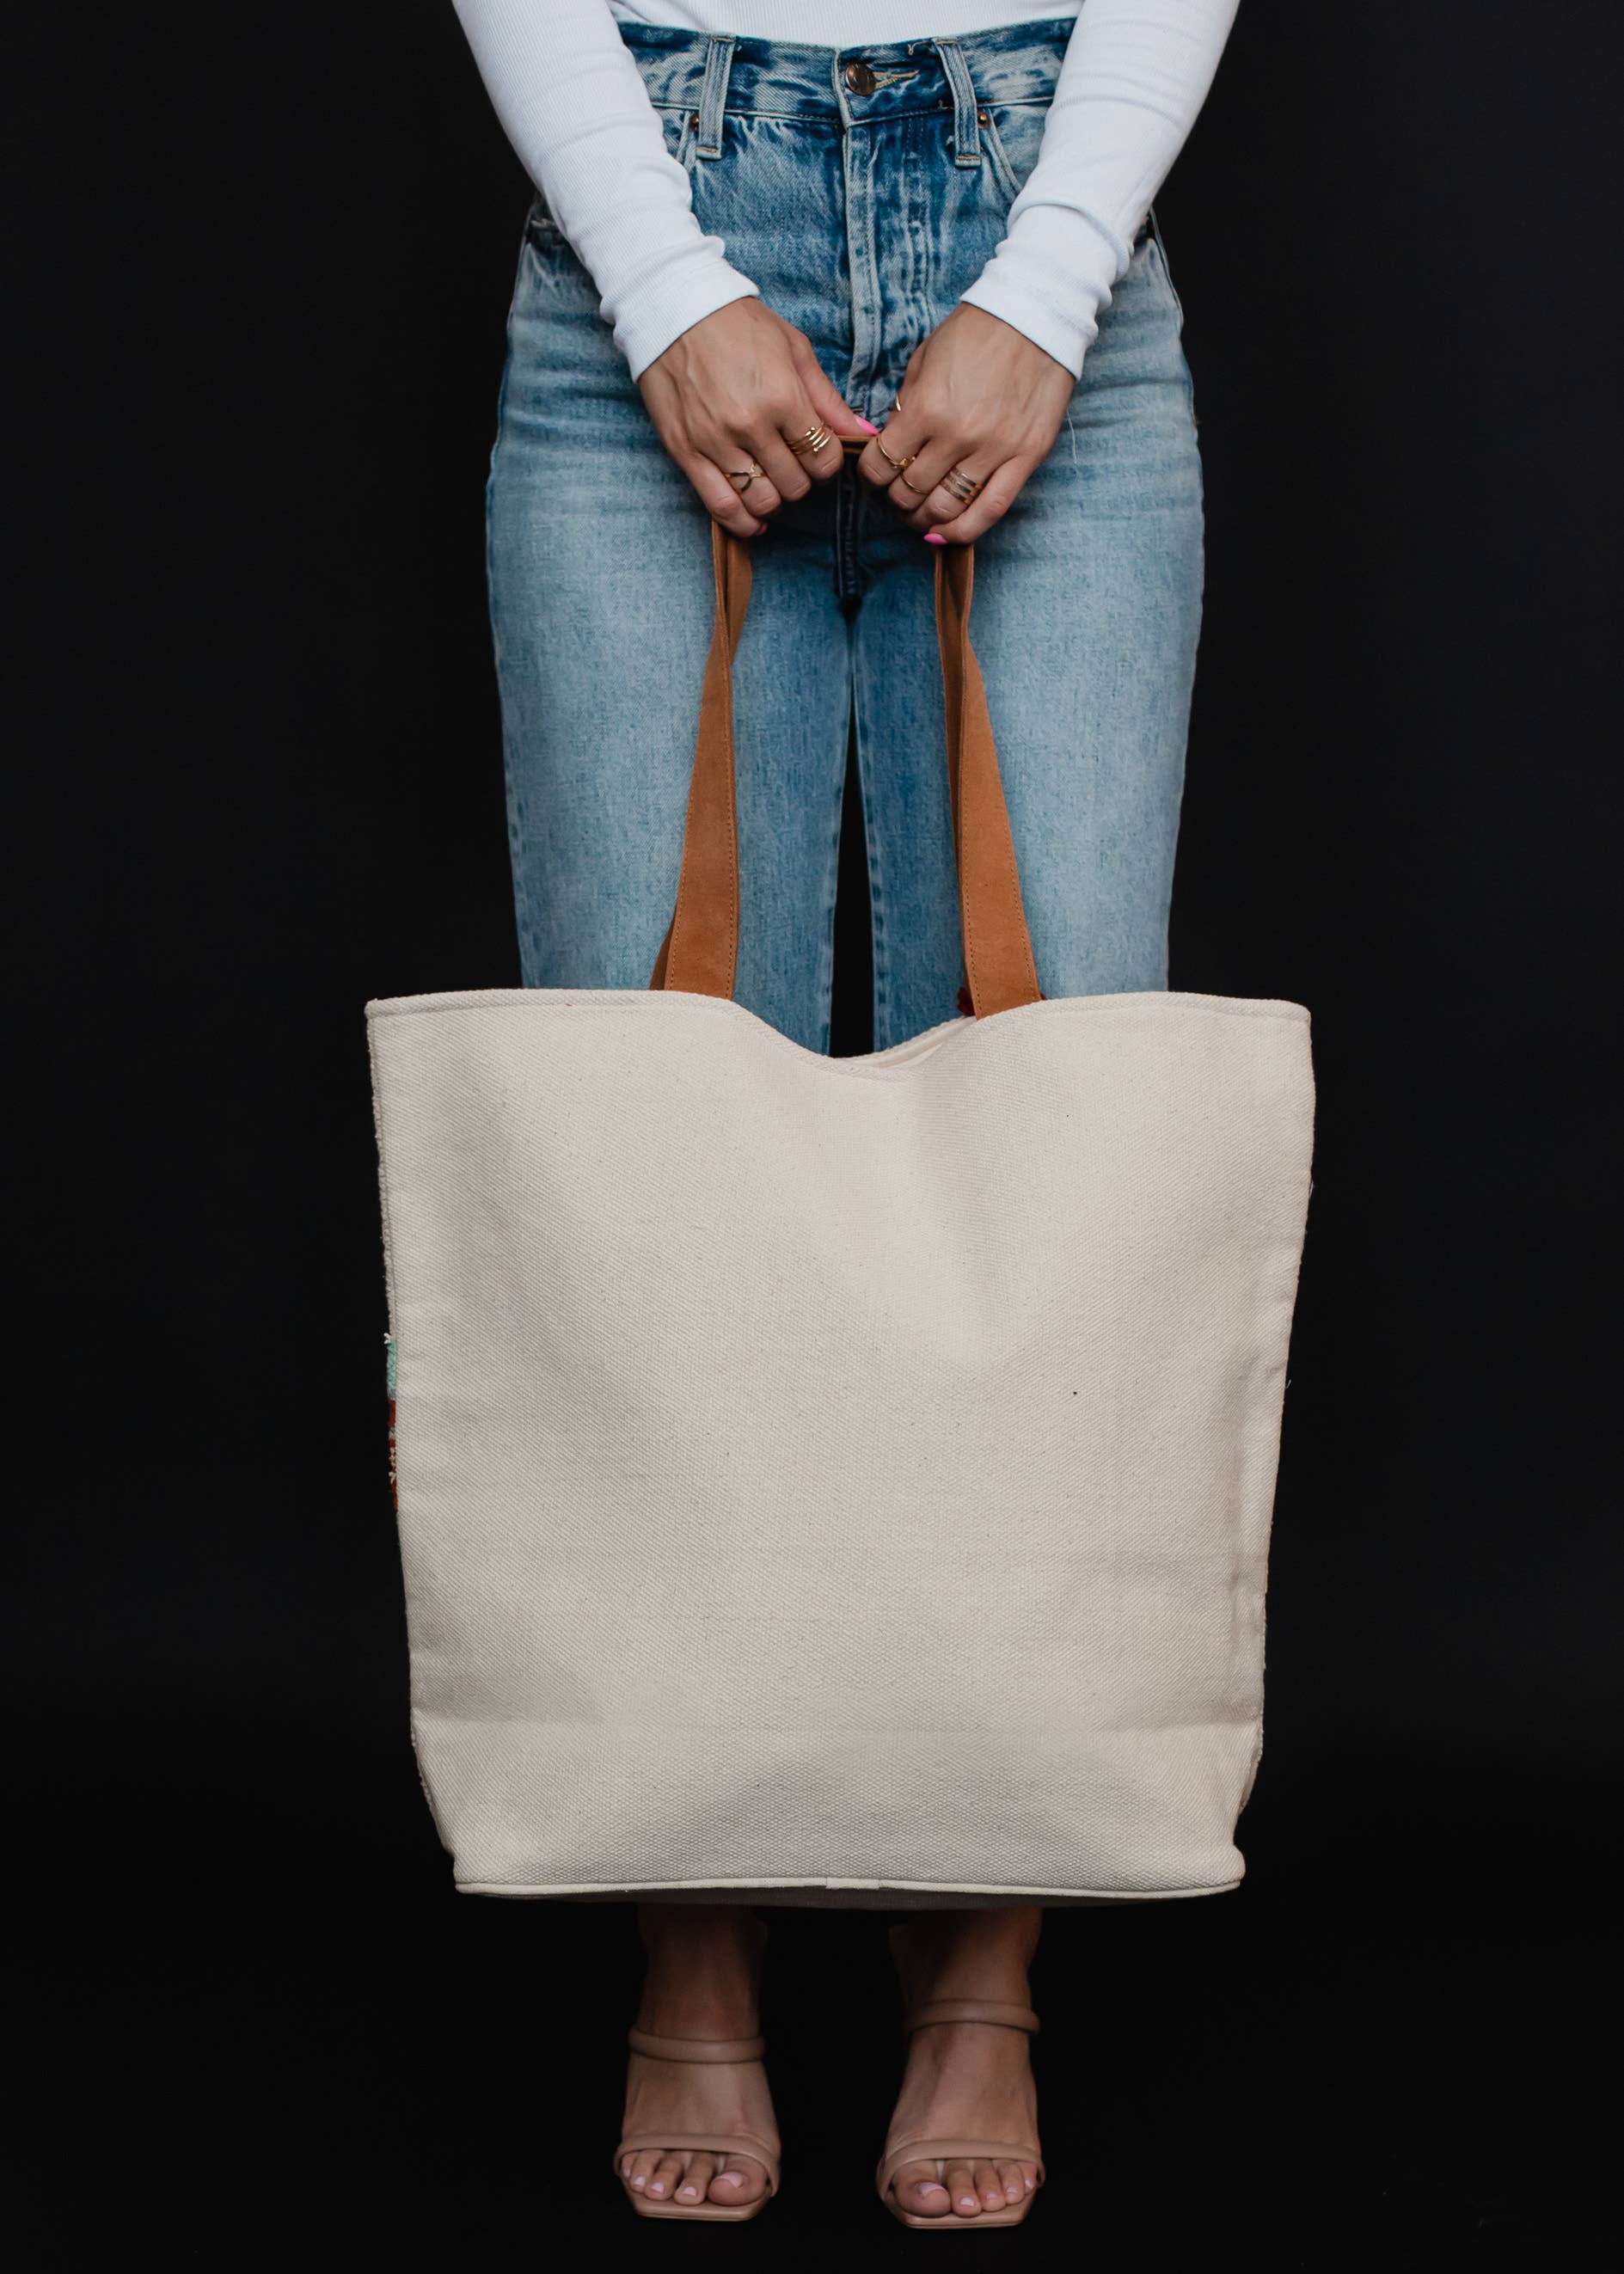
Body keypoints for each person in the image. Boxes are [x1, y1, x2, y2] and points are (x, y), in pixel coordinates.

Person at [450, 0, 1239, 2227]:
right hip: (657, 200)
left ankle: (983, 1953)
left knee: (1066, 1127)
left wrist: (1047, 271)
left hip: (1039, 191)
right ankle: (682, 1923)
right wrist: (666, 274)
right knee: (639, 1150)